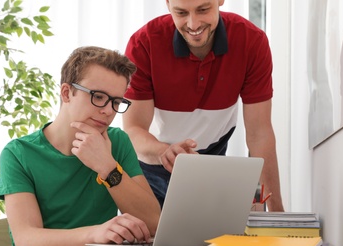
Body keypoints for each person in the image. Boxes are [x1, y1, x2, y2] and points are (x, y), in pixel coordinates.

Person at [0, 46, 161, 246]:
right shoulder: (18, 154)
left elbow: (153, 223)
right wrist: (96, 233)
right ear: (66, 93)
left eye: (116, 102)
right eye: (98, 97)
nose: (109, 111)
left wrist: (107, 167)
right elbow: (28, 244)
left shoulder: (117, 142)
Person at [122, 0, 285, 212]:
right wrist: (166, 152)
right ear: (168, 4)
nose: (193, 24)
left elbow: (259, 134)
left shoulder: (251, 41)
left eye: (203, 9)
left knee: (213, 240)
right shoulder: (143, 44)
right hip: (151, 163)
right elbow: (134, 130)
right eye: (181, 12)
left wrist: (277, 213)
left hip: (210, 161)